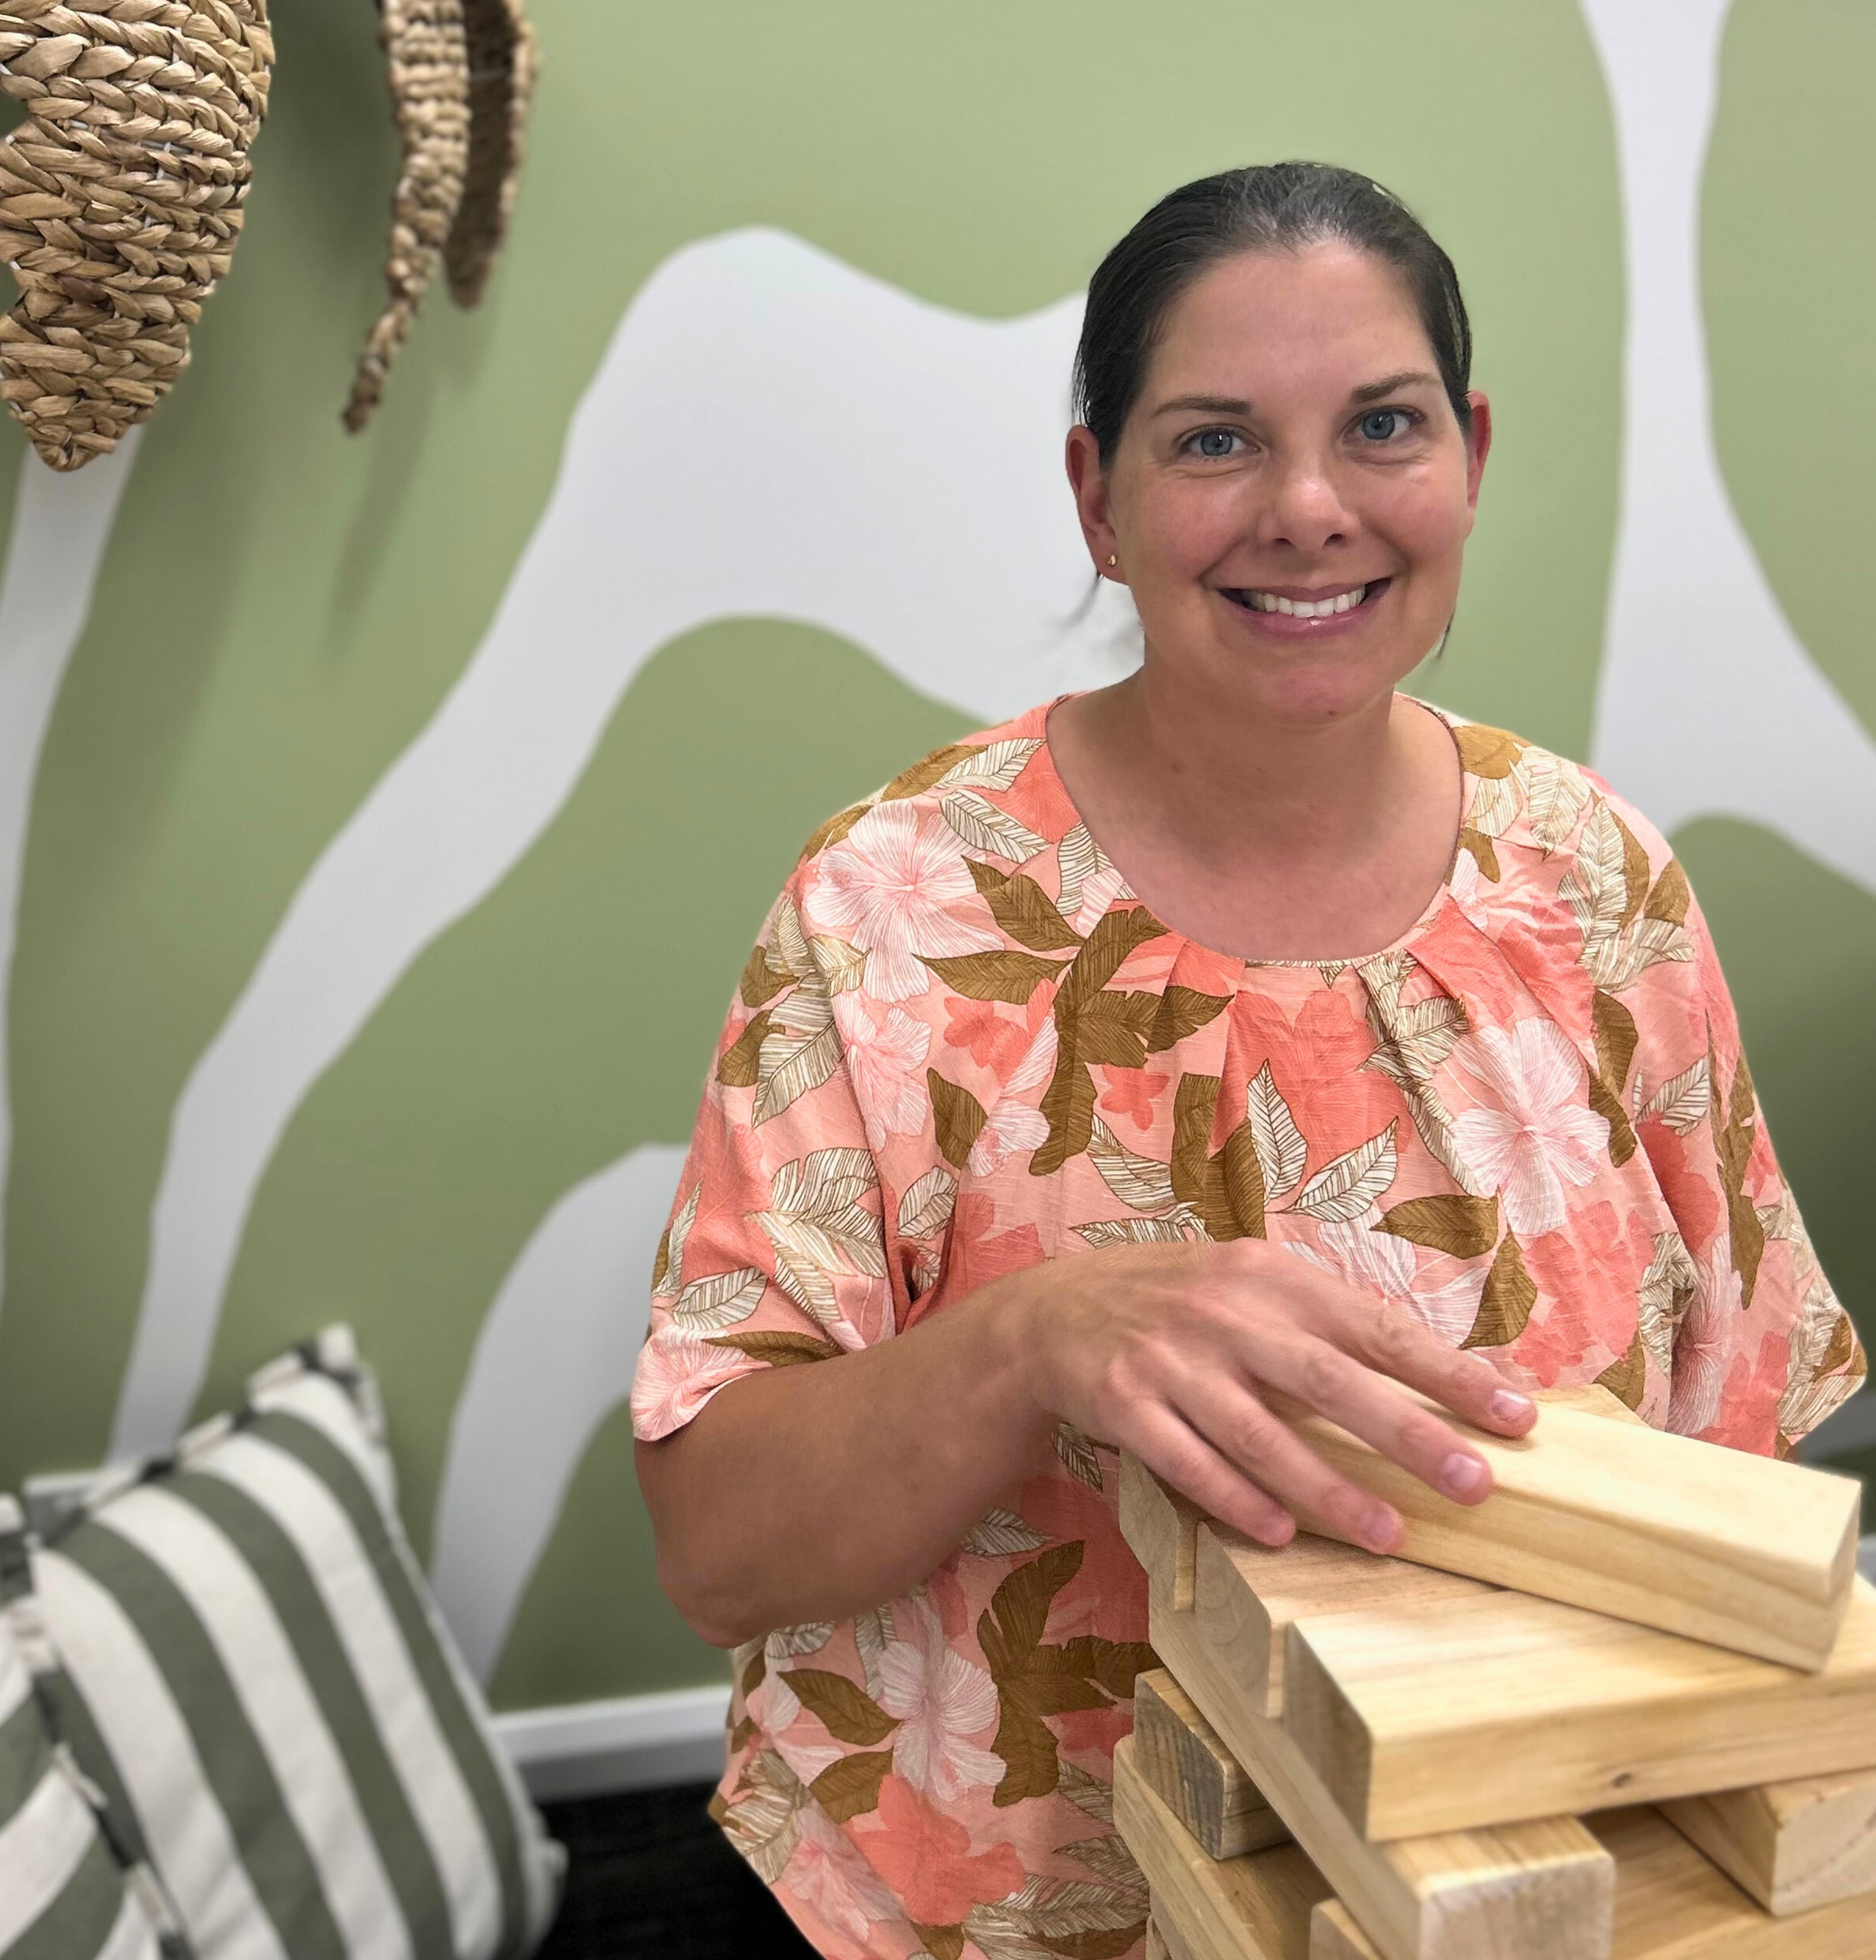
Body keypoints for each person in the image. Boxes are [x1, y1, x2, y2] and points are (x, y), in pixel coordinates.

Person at [632, 163, 1862, 1960]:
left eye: (1379, 424)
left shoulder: (1594, 881)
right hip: (978, 1915)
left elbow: (1730, 1475)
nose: (1307, 508)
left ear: (1469, 455)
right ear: (1095, 496)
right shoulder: (890, 911)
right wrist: (1028, 1336)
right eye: (1213, 441)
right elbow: (715, 1546)